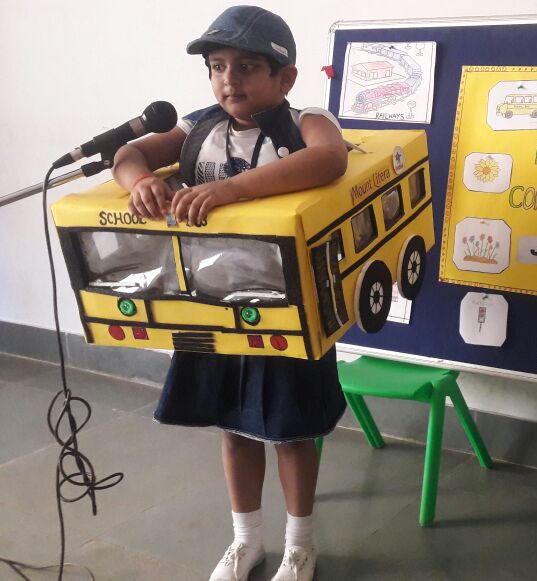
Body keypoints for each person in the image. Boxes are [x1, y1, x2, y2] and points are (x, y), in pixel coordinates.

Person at [111, 6, 350, 581]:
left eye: (246, 66)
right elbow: (128, 155)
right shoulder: (198, 127)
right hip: (212, 304)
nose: (228, 80)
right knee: (235, 425)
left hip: (286, 308)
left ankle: (299, 545)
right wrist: (139, 182)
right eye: (217, 66)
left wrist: (232, 189)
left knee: (290, 430)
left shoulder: (304, 122)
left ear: (285, 77)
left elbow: (329, 158)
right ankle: (246, 541)